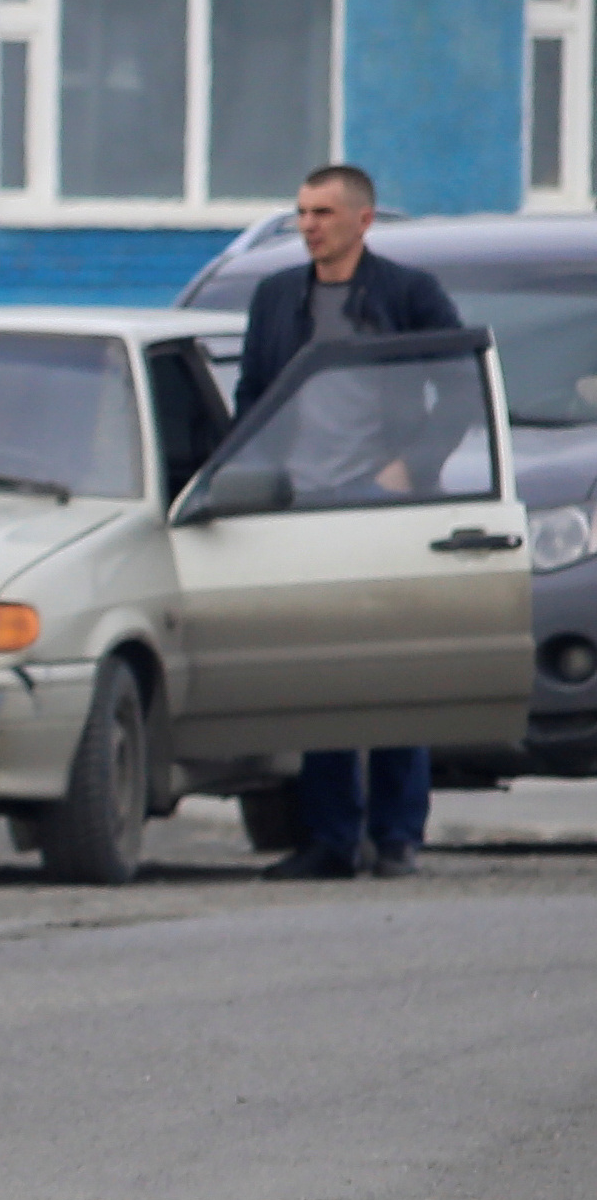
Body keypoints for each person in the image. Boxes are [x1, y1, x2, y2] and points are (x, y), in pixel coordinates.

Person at [236, 163, 462, 880]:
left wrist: (407, 465)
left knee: (394, 672)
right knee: (320, 675)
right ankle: (331, 838)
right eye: (301, 212)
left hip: (380, 502)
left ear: (361, 220)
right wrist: (250, 478)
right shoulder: (277, 296)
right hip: (299, 504)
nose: (308, 225)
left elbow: (459, 386)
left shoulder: (405, 292)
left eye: (323, 213)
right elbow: (252, 396)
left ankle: (396, 836)